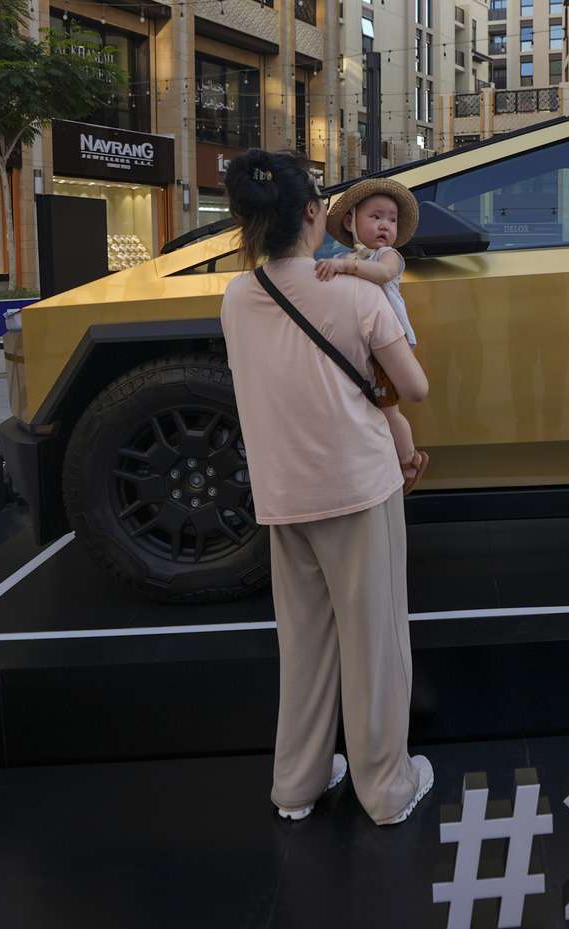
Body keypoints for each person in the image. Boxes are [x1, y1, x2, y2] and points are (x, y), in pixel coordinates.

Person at [218, 150, 434, 826]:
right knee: (374, 641)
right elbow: (415, 386)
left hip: (284, 492)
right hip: (359, 487)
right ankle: (386, 789)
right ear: (313, 214)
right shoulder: (355, 292)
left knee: (305, 640)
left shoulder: (237, 296)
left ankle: (298, 784)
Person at [315, 178, 429, 491]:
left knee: (388, 408)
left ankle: (409, 460)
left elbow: (383, 275)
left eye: (392, 220)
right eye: (376, 217)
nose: (385, 226)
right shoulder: (346, 259)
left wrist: (345, 269)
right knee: (370, 406)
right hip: (365, 344)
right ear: (350, 221)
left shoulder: (387, 256)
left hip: (389, 344)